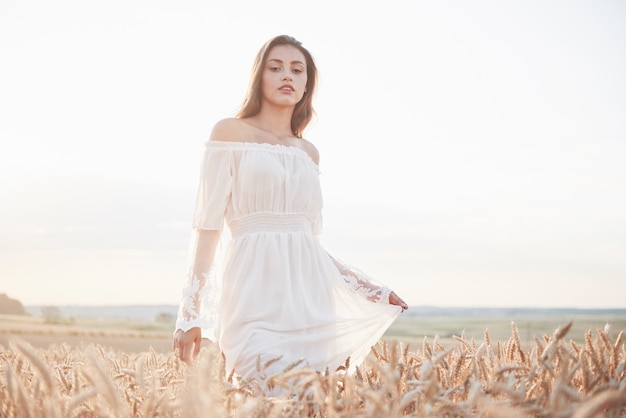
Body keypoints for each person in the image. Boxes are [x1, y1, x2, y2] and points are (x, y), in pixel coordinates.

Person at [173, 35, 408, 382]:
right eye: (276, 67)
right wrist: (189, 314)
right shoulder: (229, 132)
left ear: (306, 85)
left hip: (310, 301)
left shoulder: (309, 152)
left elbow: (308, 241)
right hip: (252, 291)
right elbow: (208, 226)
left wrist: (366, 288)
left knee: (308, 398)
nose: (288, 75)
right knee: (256, 387)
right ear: (259, 77)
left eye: (297, 70)